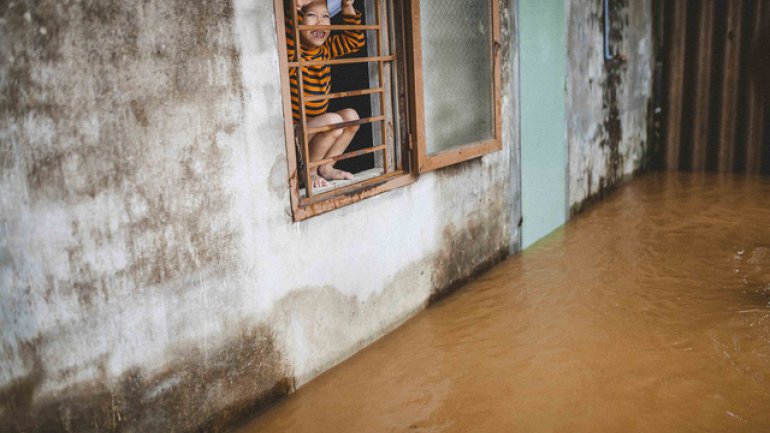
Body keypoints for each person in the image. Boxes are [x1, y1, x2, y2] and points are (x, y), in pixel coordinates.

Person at [286, 0, 366, 188]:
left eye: (326, 16)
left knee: (351, 117)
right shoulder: (293, 51)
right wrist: (297, 7)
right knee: (333, 122)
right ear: (299, 21)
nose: (320, 22)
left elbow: (355, 41)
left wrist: (347, 7)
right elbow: (290, 31)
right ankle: (309, 172)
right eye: (311, 16)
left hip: (318, 125)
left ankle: (326, 166)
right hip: (297, 130)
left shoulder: (325, 50)